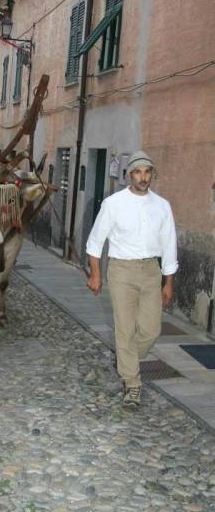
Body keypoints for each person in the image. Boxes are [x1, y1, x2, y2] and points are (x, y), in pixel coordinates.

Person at [86, 151, 178, 409]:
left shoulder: (162, 206)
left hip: (151, 271)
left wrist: (168, 282)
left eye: (147, 172)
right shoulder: (113, 203)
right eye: (138, 172)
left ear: (152, 175)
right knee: (125, 329)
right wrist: (95, 273)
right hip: (122, 271)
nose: (143, 177)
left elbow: (169, 245)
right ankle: (132, 385)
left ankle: (126, 360)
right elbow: (95, 242)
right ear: (129, 175)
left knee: (151, 330)